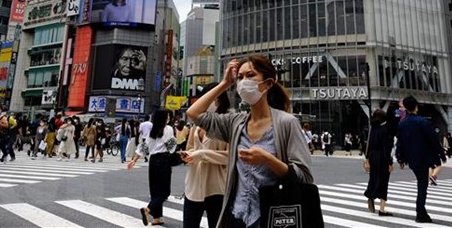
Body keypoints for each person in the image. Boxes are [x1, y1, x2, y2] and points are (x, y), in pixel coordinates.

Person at [186, 56, 313, 227]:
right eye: (240, 77)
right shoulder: (235, 122)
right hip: (237, 216)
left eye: (250, 75)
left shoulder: (287, 123)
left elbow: (304, 177)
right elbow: (193, 113)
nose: (244, 82)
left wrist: (267, 159)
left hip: (271, 217)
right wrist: (224, 84)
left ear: (268, 83)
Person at [181, 85, 230, 228]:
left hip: (217, 187)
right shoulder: (197, 123)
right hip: (194, 185)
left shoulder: (228, 123)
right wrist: (188, 155)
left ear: (220, 99)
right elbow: (190, 147)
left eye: (212, 97)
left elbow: (231, 156)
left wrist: (202, 154)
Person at [396, 96, 445, 223]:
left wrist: (400, 158)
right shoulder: (422, 121)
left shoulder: (402, 123)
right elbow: (433, 139)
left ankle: (421, 212)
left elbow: (399, 142)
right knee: (422, 185)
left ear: (405, 107)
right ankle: (420, 212)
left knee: (421, 182)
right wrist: (441, 153)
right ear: (416, 106)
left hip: (411, 158)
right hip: (424, 157)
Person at [128, 109, 176, 226]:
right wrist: (175, 139)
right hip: (163, 160)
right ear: (164, 118)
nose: (169, 118)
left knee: (155, 191)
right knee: (164, 192)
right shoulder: (169, 129)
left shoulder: (153, 131)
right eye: (167, 116)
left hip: (153, 161)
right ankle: (148, 209)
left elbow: (144, 147)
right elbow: (171, 147)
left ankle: (157, 218)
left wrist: (134, 160)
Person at [364, 109, 394, 217]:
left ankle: (370, 194)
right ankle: (382, 209)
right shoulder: (385, 130)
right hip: (382, 157)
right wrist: (390, 163)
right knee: (384, 181)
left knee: (373, 178)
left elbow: (368, 145)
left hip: (372, 156)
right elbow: (387, 148)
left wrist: (367, 159)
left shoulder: (373, 129)